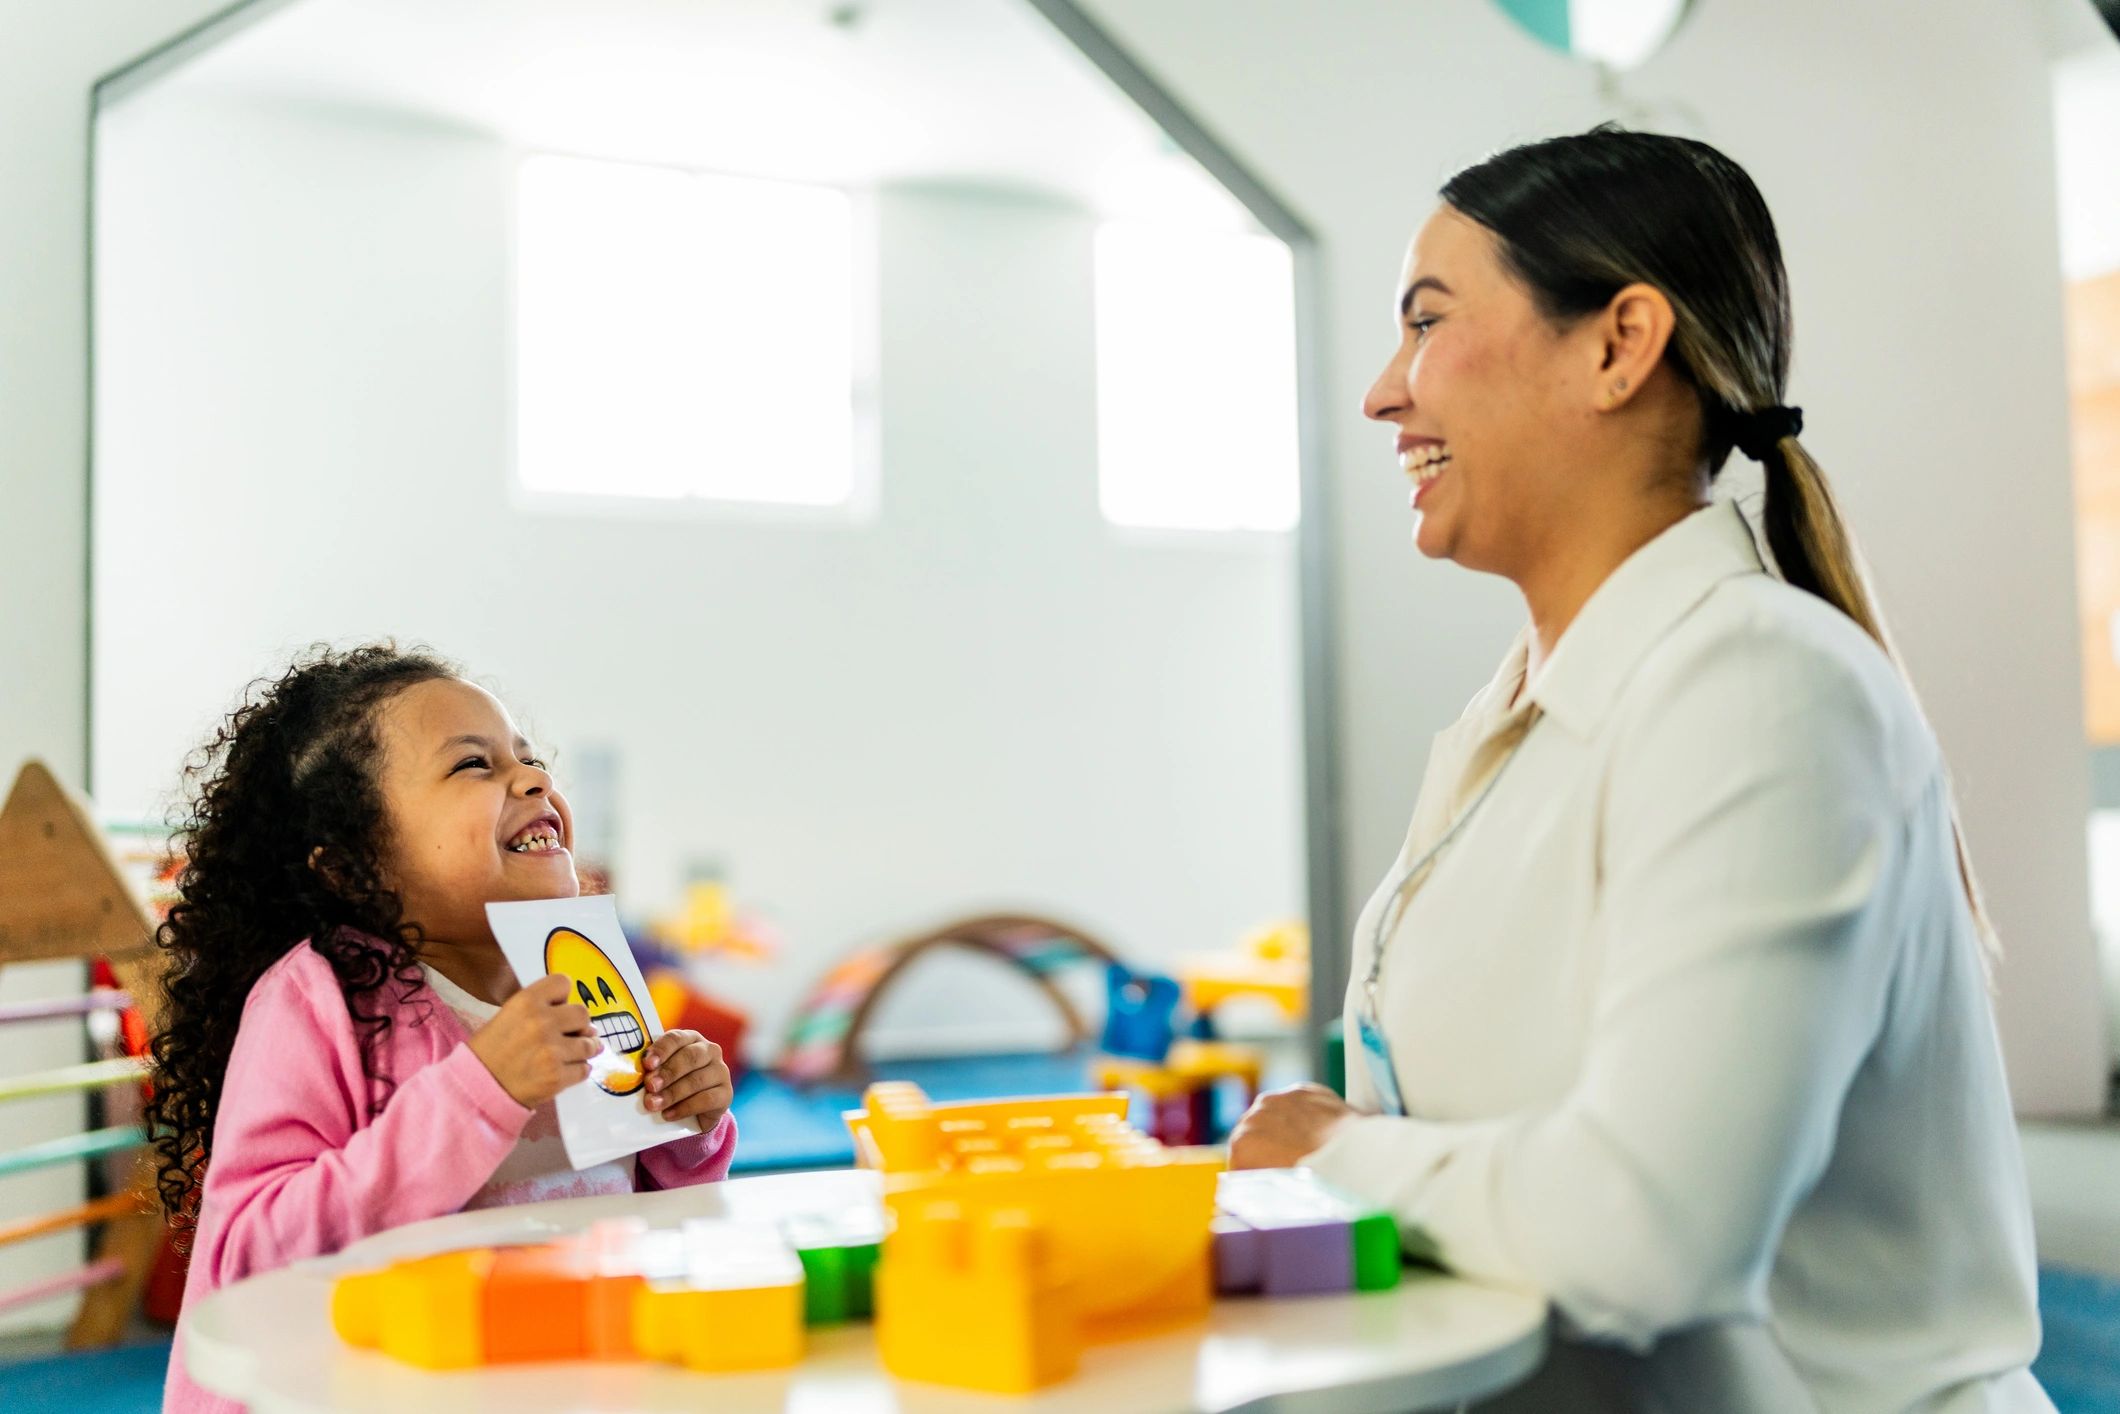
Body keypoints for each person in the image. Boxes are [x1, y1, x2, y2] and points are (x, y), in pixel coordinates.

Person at [1227, 127, 2051, 1411]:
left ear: (1617, 344)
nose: (1383, 393)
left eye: (1426, 321)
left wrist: (1336, 1150)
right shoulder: (1525, 705)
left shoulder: (1763, 686)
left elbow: (1646, 1231)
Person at [149, 644, 738, 1413]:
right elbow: (250, 1256)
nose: (534, 780)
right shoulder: (318, 1000)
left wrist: (687, 1125)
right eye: (474, 766)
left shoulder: (579, 971)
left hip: (560, 1377)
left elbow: (648, 1207)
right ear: (356, 867)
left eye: (526, 759)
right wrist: (479, 1089)